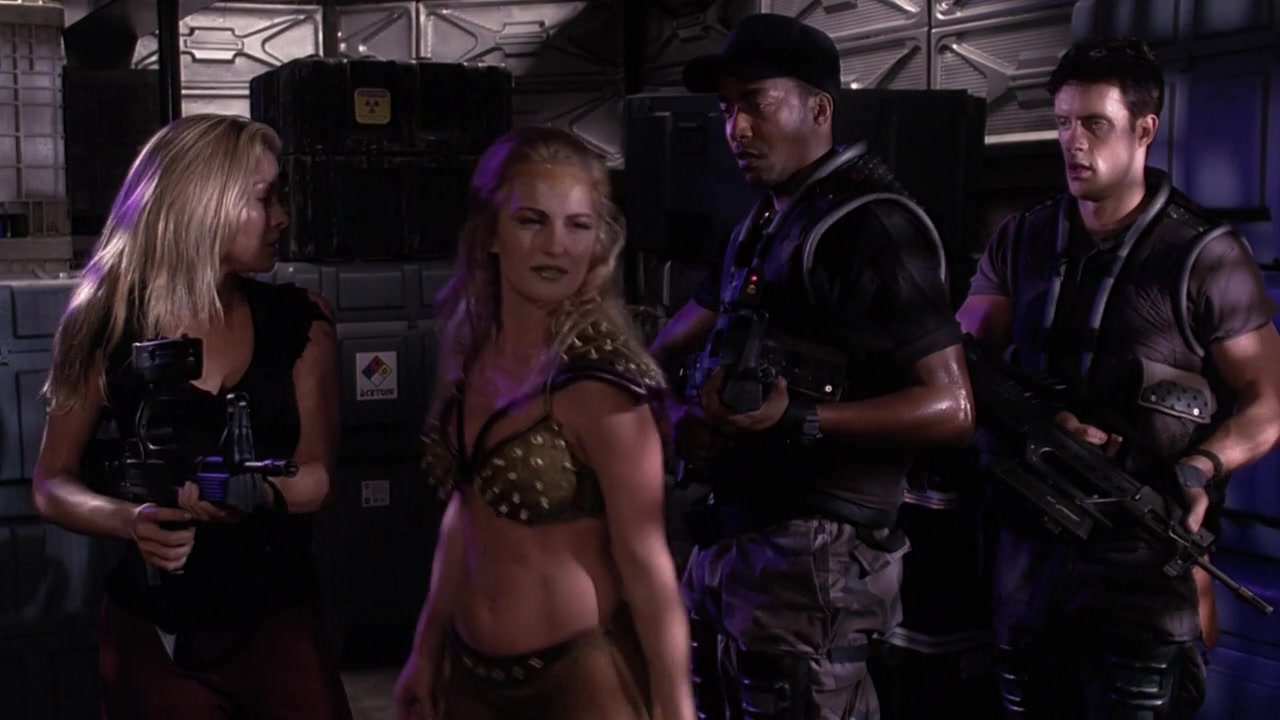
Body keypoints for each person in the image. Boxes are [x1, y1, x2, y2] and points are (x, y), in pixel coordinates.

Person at [649, 14, 975, 719]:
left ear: (819, 109)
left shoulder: (874, 228)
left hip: (816, 559)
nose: (736, 128)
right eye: (727, 109)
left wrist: (799, 417)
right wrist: (682, 416)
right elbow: (665, 351)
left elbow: (952, 409)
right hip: (735, 544)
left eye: (756, 104)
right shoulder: (761, 224)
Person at [957, 37, 1280, 718]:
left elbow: (1267, 401)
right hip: (1028, 562)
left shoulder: (1204, 256)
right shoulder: (1022, 239)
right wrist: (1031, 421)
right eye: (1063, 122)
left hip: (1142, 562)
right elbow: (960, 361)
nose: (1072, 142)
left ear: (1144, 129)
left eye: (1094, 124)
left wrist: (1198, 468)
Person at [30, 114, 351, 719]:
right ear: (204, 206)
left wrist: (252, 492)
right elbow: (51, 483)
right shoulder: (103, 324)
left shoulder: (301, 321)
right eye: (263, 198)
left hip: (277, 623)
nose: (282, 217)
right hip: (154, 636)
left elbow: (318, 477)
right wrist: (132, 521)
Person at [393, 125, 695, 720]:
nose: (556, 245)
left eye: (578, 225)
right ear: (491, 235)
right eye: (532, 220)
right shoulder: (470, 353)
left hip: (581, 684)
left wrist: (676, 707)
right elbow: (466, 516)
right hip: (469, 676)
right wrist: (425, 650)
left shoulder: (603, 388)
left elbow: (648, 565)